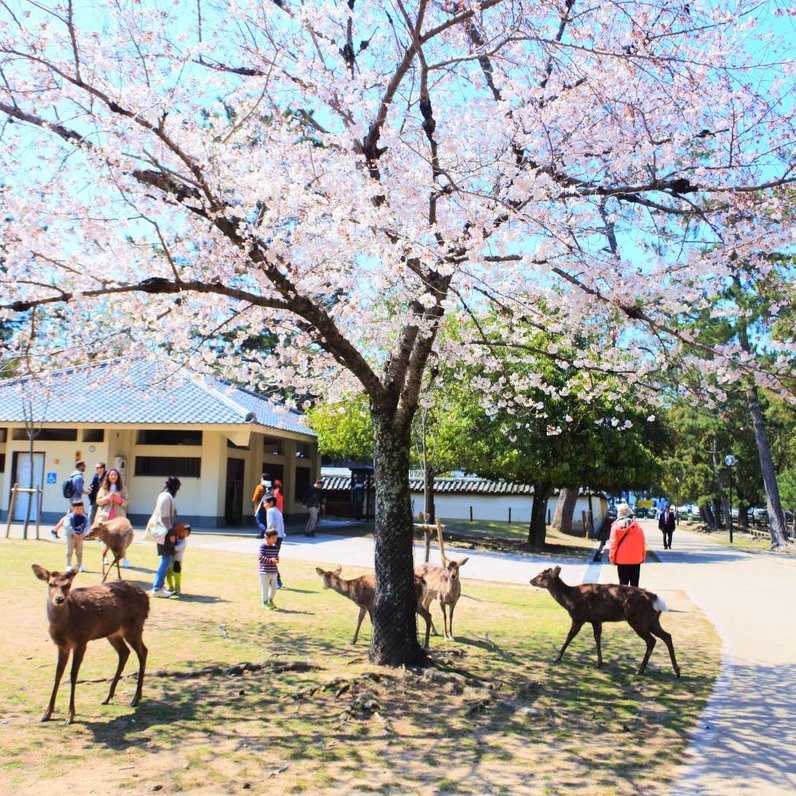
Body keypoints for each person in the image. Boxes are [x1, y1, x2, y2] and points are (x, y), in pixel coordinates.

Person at [146, 476, 181, 597]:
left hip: (165, 532)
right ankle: (157, 588)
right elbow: (165, 517)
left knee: (167, 559)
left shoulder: (164, 496)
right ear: (175, 487)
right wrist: (171, 533)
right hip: (165, 533)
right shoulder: (166, 497)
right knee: (166, 560)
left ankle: (159, 586)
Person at [95, 467, 132, 567]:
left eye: (115, 475)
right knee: (105, 538)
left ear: (118, 477)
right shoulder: (103, 488)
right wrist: (107, 498)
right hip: (106, 517)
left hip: (118, 517)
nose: (113, 476)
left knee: (121, 539)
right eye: (111, 474)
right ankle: (105, 557)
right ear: (108, 476)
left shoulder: (123, 488)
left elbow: (126, 502)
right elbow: (98, 501)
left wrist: (118, 499)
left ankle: (124, 559)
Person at [608, 503, 646, 587]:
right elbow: (642, 543)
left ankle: (623, 600)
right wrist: (643, 556)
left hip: (622, 560)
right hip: (636, 560)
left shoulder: (615, 527)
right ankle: (635, 600)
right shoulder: (637, 527)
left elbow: (613, 545)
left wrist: (612, 558)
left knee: (623, 586)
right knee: (635, 586)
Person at [64, 498, 89, 573]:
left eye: (81, 508)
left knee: (79, 552)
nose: (79, 510)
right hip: (71, 537)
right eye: (77, 508)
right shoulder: (70, 517)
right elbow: (67, 525)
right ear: (73, 508)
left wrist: (83, 534)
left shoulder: (84, 517)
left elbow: (87, 526)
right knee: (69, 551)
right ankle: (68, 565)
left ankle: (79, 565)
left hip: (80, 537)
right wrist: (73, 533)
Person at [166, 523, 191, 595]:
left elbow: (177, 548)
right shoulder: (176, 538)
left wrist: (169, 546)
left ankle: (177, 588)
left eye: (186, 533)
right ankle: (170, 587)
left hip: (177, 561)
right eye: (183, 531)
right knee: (168, 575)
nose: (184, 534)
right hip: (170, 560)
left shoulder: (184, 541)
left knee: (177, 576)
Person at [258, 528, 281, 610]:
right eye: (273, 538)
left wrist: (277, 560)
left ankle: (270, 600)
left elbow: (276, 556)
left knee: (274, 588)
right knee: (265, 588)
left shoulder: (275, 547)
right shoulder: (263, 546)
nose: (275, 540)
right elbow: (260, 557)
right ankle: (264, 603)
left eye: (276, 538)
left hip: (273, 571)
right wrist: (270, 561)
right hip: (264, 571)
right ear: (267, 538)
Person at [87, 462, 106, 526]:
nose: (96, 469)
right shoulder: (95, 476)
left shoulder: (107, 476)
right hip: (95, 499)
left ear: (102, 468)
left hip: (104, 499)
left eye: (97, 468)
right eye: (95, 468)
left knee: (102, 517)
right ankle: (89, 531)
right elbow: (92, 485)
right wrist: (90, 488)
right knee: (91, 516)